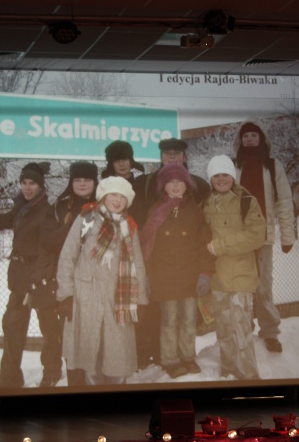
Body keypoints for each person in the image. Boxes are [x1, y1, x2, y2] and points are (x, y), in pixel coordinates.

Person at [0, 162, 57, 389]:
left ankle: (52, 373)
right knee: (12, 326)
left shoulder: (47, 212)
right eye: (24, 183)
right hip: (19, 278)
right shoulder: (22, 208)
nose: (27, 187)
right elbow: (6, 220)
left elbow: (47, 250)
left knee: (49, 328)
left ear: (40, 186)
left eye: (32, 183)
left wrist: (34, 284)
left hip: (39, 280)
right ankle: (9, 378)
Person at [55, 176, 148, 385]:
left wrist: (140, 300)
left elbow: (138, 265)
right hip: (85, 297)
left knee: (116, 352)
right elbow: (67, 257)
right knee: (90, 352)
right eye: (113, 195)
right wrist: (66, 295)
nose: (117, 200)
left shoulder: (129, 227)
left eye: (122, 197)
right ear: (103, 197)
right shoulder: (86, 220)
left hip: (118, 299)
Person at [129, 137, 211, 368]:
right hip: (164, 279)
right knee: (168, 320)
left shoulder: (194, 211)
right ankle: (169, 359)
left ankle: (187, 356)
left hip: (188, 276)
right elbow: (148, 247)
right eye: (170, 183)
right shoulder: (155, 210)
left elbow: (204, 242)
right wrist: (146, 276)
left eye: (180, 182)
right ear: (162, 186)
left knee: (188, 320)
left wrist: (205, 272)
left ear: (187, 185)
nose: (175, 186)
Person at [232, 119, 295, 353]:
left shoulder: (272, 165)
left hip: (263, 237)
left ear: (261, 139)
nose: (249, 139)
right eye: (245, 136)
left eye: (254, 135)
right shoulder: (233, 165)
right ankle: (243, 327)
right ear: (240, 140)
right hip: (238, 238)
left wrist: (287, 236)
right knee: (240, 284)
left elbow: (284, 201)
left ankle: (270, 332)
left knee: (263, 286)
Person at [203, 155, 266, 380]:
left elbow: (257, 236)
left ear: (232, 176)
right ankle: (228, 372)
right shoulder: (207, 203)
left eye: (225, 175)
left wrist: (222, 245)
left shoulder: (246, 200)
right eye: (216, 175)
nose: (221, 179)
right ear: (210, 179)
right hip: (218, 279)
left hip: (241, 276)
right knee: (223, 329)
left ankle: (249, 378)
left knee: (242, 331)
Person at [37, 161, 98, 387]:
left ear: (95, 182)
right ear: (71, 182)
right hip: (65, 278)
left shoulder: (105, 205)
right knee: (66, 332)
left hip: (94, 281)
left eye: (87, 180)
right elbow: (46, 241)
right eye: (78, 180)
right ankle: (71, 379)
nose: (82, 184)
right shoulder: (59, 207)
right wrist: (75, 227)